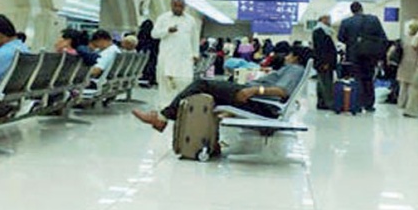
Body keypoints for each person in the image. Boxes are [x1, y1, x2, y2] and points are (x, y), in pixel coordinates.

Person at [132, 46, 312, 132]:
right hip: (254, 99)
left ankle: (162, 118)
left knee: (203, 84)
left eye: (289, 54)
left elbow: (282, 91)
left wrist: (254, 90)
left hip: (256, 101)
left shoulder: (294, 69)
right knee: (207, 93)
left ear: (295, 57)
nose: (286, 57)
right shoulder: (292, 69)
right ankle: (171, 120)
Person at [337, 1, 388, 112]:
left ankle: (357, 104)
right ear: (361, 8)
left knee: (356, 78)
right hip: (370, 55)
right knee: (368, 79)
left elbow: (340, 38)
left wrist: (352, 42)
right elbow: (383, 37)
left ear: (352, 11)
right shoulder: (373, 20)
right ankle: (369, 104)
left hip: (354, 55)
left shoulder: (346, 22)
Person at [151, 0, 200, 106]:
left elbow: (194, 38)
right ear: (171, 5)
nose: (178, 8)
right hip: (167, 57)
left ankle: (181, 106)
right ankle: (165, 107)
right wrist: (167, 30)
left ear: (185, 7)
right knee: (165, 85)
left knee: (185, 82)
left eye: (180, 6)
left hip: (184, 58)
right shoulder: (163, 18)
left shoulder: (190, 20)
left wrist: (195, 53)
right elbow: (154, 34)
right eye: (175, 6)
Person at [312, 14, 338, 110]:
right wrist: (325, 62)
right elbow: (322, 48)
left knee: (322, 82)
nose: (330, 20)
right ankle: (328, 103)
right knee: (326, 83)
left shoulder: (323, 31)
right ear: (322, 19)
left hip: (323, 62)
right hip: (324, 62)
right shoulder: (320, 31)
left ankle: (322, 103)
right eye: (328, 19)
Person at [394, 21, 418, 109]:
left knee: (403, 86)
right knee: (412, 87)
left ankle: (400, 103)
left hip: (404, 63)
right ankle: (410, 105)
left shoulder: (404, 39)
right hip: (415, 64)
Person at [136, 19, 159, 87]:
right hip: (154, 53)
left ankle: (146, 78)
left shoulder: (141, 34)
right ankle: (152, 78)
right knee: (152, 65)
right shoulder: (154, 34)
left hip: (144, 53)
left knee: (146, 65)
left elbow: (138, 45)